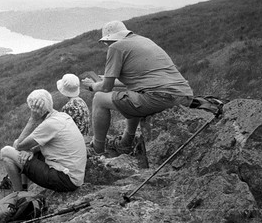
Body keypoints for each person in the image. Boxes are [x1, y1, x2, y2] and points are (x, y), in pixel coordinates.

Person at [82, 20, 193, 156]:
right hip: (184, 95)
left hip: (160, 97)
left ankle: (97, 148)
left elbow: (106, 88)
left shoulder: (116, 47)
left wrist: (93, 86)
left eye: (106, 42)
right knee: (133, 91)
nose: (106, 45)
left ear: (110, 39)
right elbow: (139, 80)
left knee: (99, 99)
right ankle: (125, 143)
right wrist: (108, 79)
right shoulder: (144, 41)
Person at [0, 89, 86, 192]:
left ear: (35, 110)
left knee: (5, 151)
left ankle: (19, 197)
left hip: (65, 179)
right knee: (12, 155)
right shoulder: (62, 116)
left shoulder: (49, 124)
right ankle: (23, 189)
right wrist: (31, 151)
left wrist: (32, 119)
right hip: (72, 174)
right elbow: (51, 143)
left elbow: (19, 146)